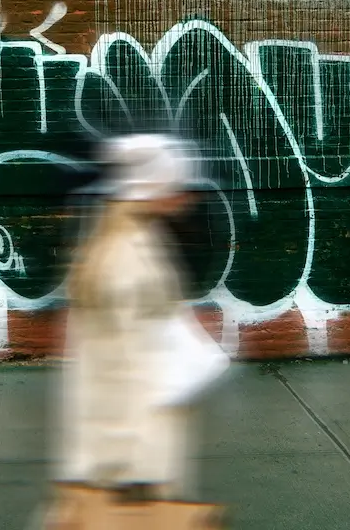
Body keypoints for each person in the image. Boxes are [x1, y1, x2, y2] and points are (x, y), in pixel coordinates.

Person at [53, 133, 220, 506]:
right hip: (131, 463)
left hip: (127, 450)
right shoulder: (125, 256)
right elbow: (122, 370)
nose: (186, 196)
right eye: (176, 187)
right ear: (151, 188)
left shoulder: (133, 236)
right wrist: (138, 471)